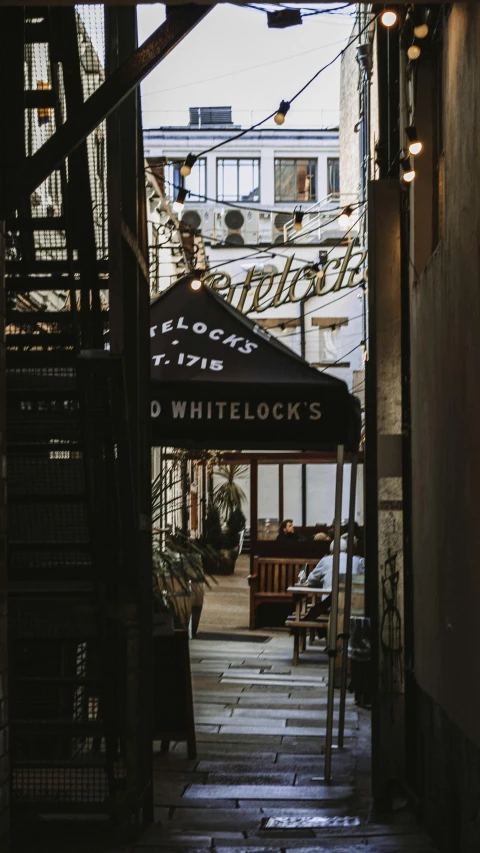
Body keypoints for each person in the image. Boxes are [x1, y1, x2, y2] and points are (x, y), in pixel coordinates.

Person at [302, 535, 365, 620]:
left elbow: (311, 580)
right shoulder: (357, 560)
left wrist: (323, 581)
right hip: (354, 604)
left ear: (331, 551)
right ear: (346, 549)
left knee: (320, 607)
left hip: (331, 605)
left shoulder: (325, 560)